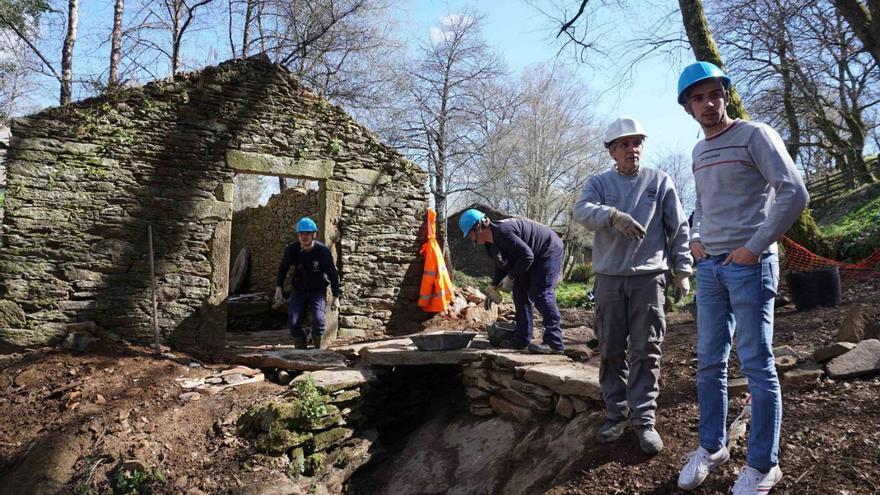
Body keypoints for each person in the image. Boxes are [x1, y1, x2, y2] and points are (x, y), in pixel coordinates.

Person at [674, 62, 809, 495]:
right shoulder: (698, 152)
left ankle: (762, 464)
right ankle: (712, 447)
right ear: (687, 106)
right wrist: (695, 238)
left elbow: (794, 191)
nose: (708, 103)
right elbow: (703, 204)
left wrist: (755, 246)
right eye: (698, 98)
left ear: (726, 95)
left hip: (751, 266)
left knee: (756, 364)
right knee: (709, 363)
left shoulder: (755, 135)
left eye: (714, 94)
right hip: (711, 269)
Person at [573, 116, 692, 455]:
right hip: (609, 280)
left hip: (648, 280)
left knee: (646, 349)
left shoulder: (660, 181)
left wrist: (682, 270)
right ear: (611, 151)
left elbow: (678, 228)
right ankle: (615, 413)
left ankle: (645, 419)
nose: (632, 149)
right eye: (623, 144)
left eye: (636, 142)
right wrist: (613, 216)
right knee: (611, 349)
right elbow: (581, 212)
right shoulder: (598, 184)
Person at [459, 209, 565, 354]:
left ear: (478, 227)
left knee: (541, 294)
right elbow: (501, 266)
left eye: (470, 235)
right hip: (528, 256)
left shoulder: (503, 232)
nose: (471, 240)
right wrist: (493, 287)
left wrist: (511, 277)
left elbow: (527, 256)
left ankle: (554, 342)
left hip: (547, 250)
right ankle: (521, 339)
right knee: (520, 294)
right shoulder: (490, 245)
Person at [274, 217, 342, 350]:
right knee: (293, 322)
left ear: (314, 235)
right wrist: (279, 287)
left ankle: (317, 351)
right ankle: (301, 351)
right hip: (299, 289)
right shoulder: (291, 250)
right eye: (301, 234)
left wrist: (336, 296)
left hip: (317, 290)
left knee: (319, 320)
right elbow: (283, 268)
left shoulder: (322, 252)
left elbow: (333, 274)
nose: (304, 237)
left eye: (307, 233)